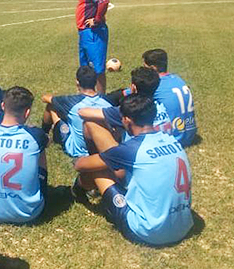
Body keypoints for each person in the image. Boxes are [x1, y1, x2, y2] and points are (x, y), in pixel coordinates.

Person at [73, 94, 194, 246]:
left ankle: (76, 190)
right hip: (183, 225)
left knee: (99, 169)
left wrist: (77, 161)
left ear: (127, 120)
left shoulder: (132, 149)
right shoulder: (172, 141)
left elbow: (81, 165)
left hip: (149, 232)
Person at [0, 87, 48, 223]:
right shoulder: (35, 136)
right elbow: (47, 141)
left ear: (2, 105)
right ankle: (41, 191)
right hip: (28, 213)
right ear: (27, 112)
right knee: (40, 150)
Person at [80, 67, 172, 137]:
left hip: (136, 152)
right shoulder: (161, 107)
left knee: (92, 124)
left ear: (133, 88)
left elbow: (83, 112)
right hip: (161, 146)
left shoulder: (130, 111)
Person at [42, 65, 112, 158]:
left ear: (77, 82)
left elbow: (45, 98)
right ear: (95, 82)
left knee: (51, 105)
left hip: (77, 150)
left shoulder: (70, 101)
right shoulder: (108, 101)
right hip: (102, 147)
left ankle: (44, 135)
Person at [143, 49, 198, 146]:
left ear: (153, 68)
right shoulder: (178, 79)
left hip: (172, 137)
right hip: (189, 134)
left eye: (145, 67)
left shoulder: (154, 84)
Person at [71, 0, 110, 94]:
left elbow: (104, 1)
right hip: (85, 32)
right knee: (86, 68)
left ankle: (101, 98)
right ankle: (86, 96)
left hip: (94, 31)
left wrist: (97, 19)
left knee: (97, 69)